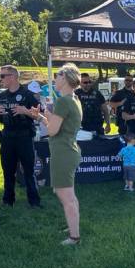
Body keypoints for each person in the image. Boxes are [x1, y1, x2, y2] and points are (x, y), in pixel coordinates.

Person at [31, 63, 83, 245]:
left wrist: (44, 116)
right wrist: (41, 116)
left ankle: (74, 237)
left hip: (63, 153)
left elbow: (52, 131)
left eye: (59, 74)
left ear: (66, 78)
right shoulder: (73, 99)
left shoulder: (63, 101)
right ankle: (73, 226)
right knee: (68, 194)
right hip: (69, 150)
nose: (55, 77)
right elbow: (56, 125)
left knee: (65, 196)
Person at [0, 65, 41, 208]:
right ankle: (8, 200)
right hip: (7, 137)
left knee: (29, 171)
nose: (0, 79)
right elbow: (1, 120)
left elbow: (40, 115)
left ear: (12, 77)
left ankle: (34, 202)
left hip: (24, 137)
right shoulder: (1, 97)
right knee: (8, 170)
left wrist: (25, 111)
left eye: (3, 76)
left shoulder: (28, 94)